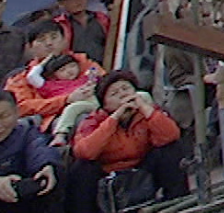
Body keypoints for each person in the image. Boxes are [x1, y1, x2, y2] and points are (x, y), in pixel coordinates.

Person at [65, 71, 185, 213]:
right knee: (82, 168)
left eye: (126, 89)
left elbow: (171, 135)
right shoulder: (93, 121)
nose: (123, 95)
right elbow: (85, 152)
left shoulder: (147, 112)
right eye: (114, 94)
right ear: (105, 104)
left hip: (141, 166)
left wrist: (145, 107)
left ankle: (176, 204)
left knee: (170, 151)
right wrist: (114, 118)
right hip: (107, 171)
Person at [4, 22, 99, 135]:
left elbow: (106, 82)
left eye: (54, 37)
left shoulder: (83, 63)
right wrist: (65, 100)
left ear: (65, 40)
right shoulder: (20, 78)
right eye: (41, 40)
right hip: (44, 124)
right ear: (30, 47)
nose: (49, 43)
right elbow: (21, 107)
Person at [0, 89, 59, 213]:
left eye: (4, 116)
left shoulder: (25, 132)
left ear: (17, 113)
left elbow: (39, 147)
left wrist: (45, 166)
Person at [24, 55, 98, 149]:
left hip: (92, 102)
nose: (69, 71)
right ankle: (60, 135)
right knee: (72, 109)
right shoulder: (51, 86)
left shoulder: (84, 79)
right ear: (55, 75)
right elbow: (32, 76)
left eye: (72, 66)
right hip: (74, 108)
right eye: (63, 70)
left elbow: (95, 71)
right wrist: (47, 60)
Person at [51, 0, 108, 64]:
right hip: (75, 70)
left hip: (105, 65)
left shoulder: (101, 18)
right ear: (62, 3)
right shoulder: (58, 24)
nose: (78, 1)